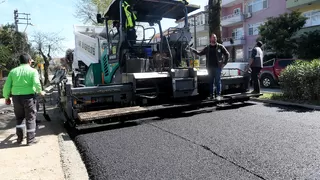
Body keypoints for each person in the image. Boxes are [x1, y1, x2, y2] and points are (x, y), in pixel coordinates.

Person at [2, 53, 45, 145]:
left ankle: (19, 139)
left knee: (19, 118)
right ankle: (30, 140)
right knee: (30, 118)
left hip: (16, 98)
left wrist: (6, 97)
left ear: (20, 61)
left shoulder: (13, 71)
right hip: (29, 97)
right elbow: (36, 83)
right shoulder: (33, 71)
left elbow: (7, 86)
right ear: (29, 61)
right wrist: (40, 92)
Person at [191, 33, 230, 100]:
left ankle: (218, 95)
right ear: (210, 39)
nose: (214, 38)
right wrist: (193, 50)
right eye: (213, 37)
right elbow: (200, 53)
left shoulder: (220, 47)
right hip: (209, 67)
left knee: (218, 81)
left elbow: (227, 54)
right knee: (211, 82)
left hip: (218, 67)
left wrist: (224, 63)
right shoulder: (207, 47)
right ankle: (211, 95)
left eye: (215, 37)